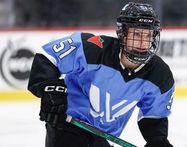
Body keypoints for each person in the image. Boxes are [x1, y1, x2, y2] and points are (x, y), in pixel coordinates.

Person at [28, 2, 174, 147]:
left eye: (148, 35)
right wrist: (49, 90)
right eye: (136, 34)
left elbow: (154, 117)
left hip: (103, 138)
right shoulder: (92, 48)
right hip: (68, 125)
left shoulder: (160, 76)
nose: (143, 42)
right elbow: (47, 57)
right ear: (123, 34)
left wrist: (158, 140)